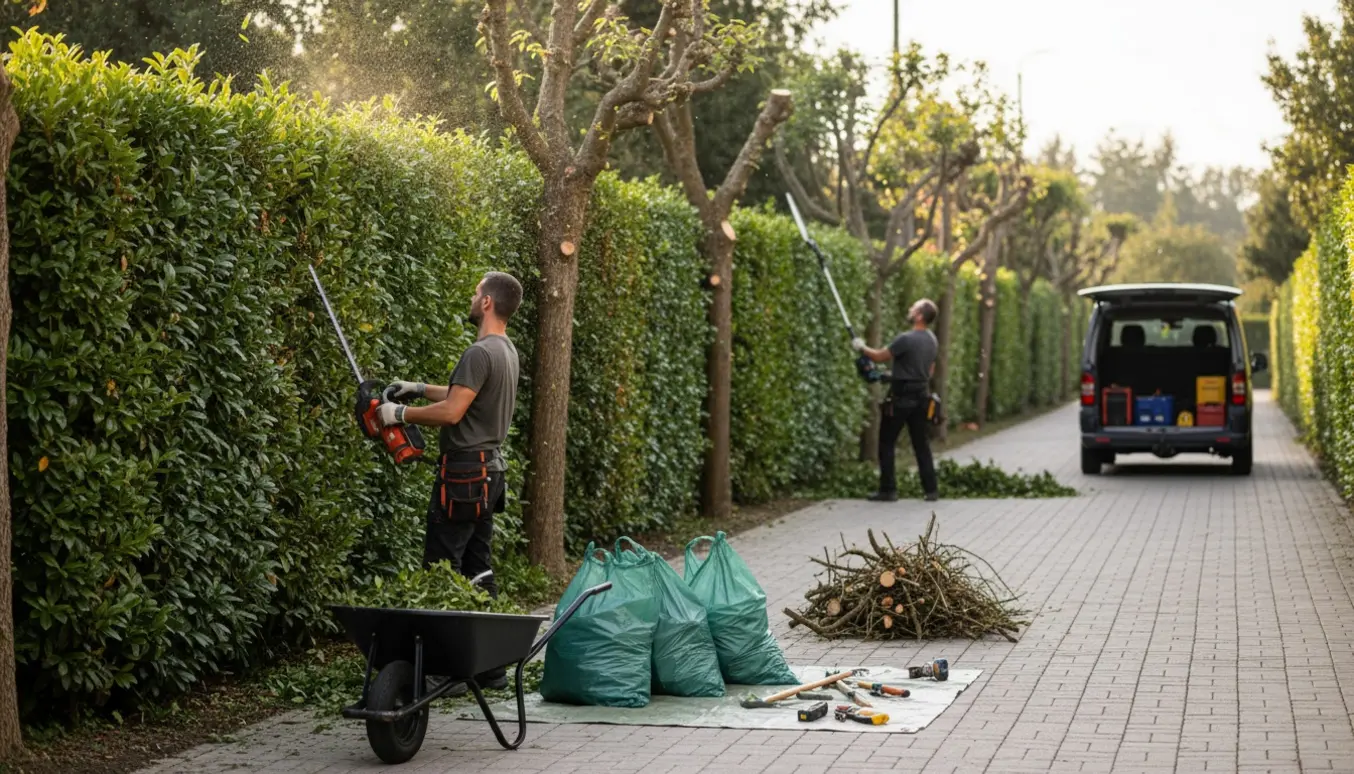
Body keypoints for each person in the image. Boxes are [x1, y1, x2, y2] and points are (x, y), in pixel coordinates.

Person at [379, 270, 523, 693]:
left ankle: (444, 671)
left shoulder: (478, 351)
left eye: (477, 292)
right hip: (490, 472)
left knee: (442, 568)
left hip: (463, 474)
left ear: (487, 303)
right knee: (478, 567)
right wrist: (419, 388)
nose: (472, 296)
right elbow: (463, 394)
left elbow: (454, 412)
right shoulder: (506, 350)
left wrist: (399, 414)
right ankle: (491, 667)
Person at [851, 298, 940, 503]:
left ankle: (888, 490)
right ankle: (931, 490)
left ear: (919, 315)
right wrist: (898, 373)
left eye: (914, 307)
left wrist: (861, 347)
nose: (910, 309)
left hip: (900, 398)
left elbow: (880, 356)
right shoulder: (932, 340)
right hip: (921, 396)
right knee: (921, 444)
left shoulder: (906, 339)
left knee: (887, 442)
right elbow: (929, 369)